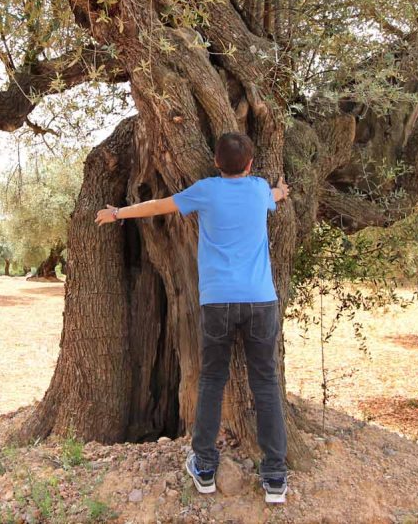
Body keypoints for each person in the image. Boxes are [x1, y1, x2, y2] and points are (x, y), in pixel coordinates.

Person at [95, 132, 290, 504]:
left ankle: (203, 466)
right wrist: (282, 190)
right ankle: (275, 477)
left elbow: (158, 205)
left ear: (216, 163)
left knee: (212, 382)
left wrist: (118, 212)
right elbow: (275, 197)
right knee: (265, 384)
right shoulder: (259, 189)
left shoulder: (206, 190)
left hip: (217, 304)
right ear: (250, 165)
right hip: (261, 303)